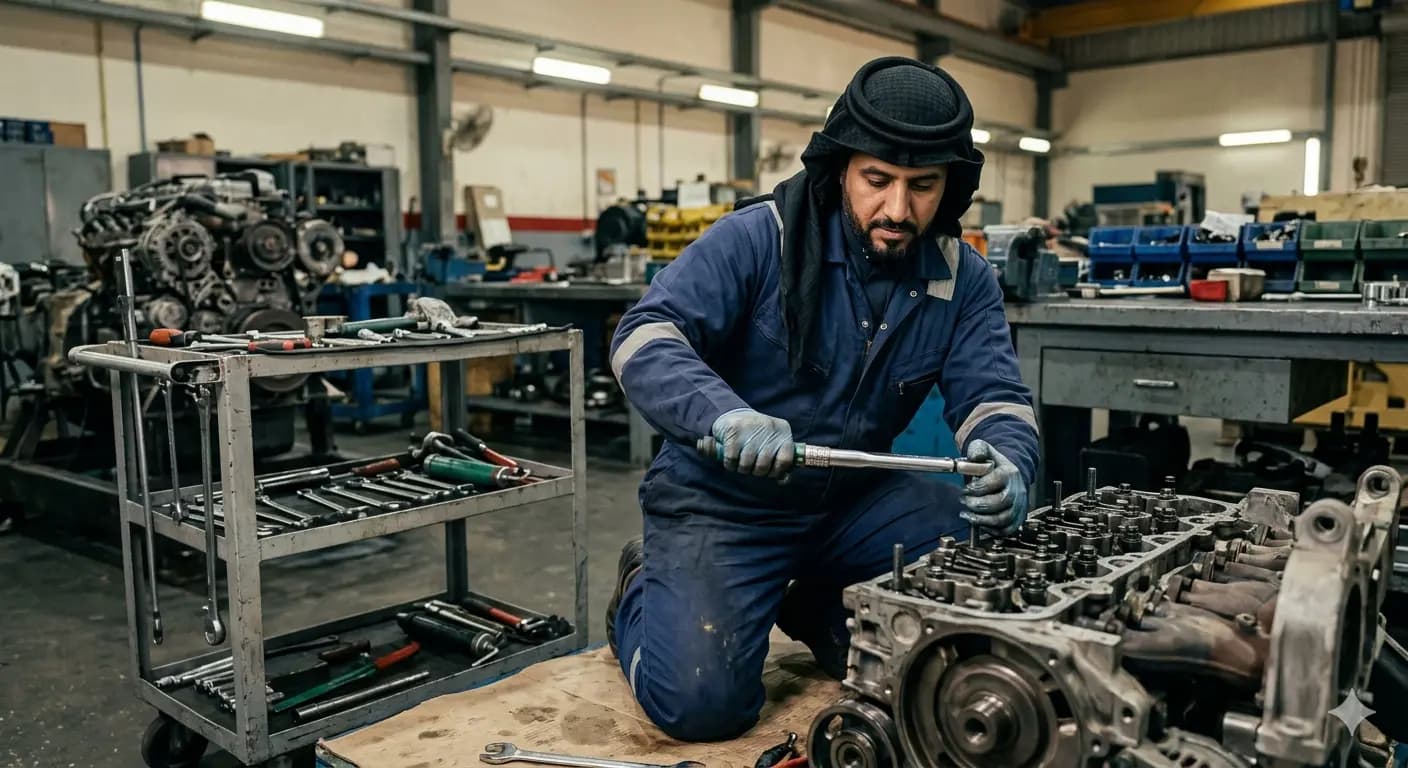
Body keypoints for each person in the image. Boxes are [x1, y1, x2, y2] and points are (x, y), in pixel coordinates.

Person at [604, 56, 1039, 741]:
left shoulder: (964, 280)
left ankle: (819, 607)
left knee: (931, 621)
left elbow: (994, 394)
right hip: (726, 502)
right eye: (877, 181)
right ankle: (640, 594)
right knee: (700, 705)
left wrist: (1012, 462)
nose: (898, 209)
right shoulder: (757, 240)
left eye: (922, 186)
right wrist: (724, 414)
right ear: (839, 168)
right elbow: (643, 337)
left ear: (951, 186)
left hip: (853, 502)